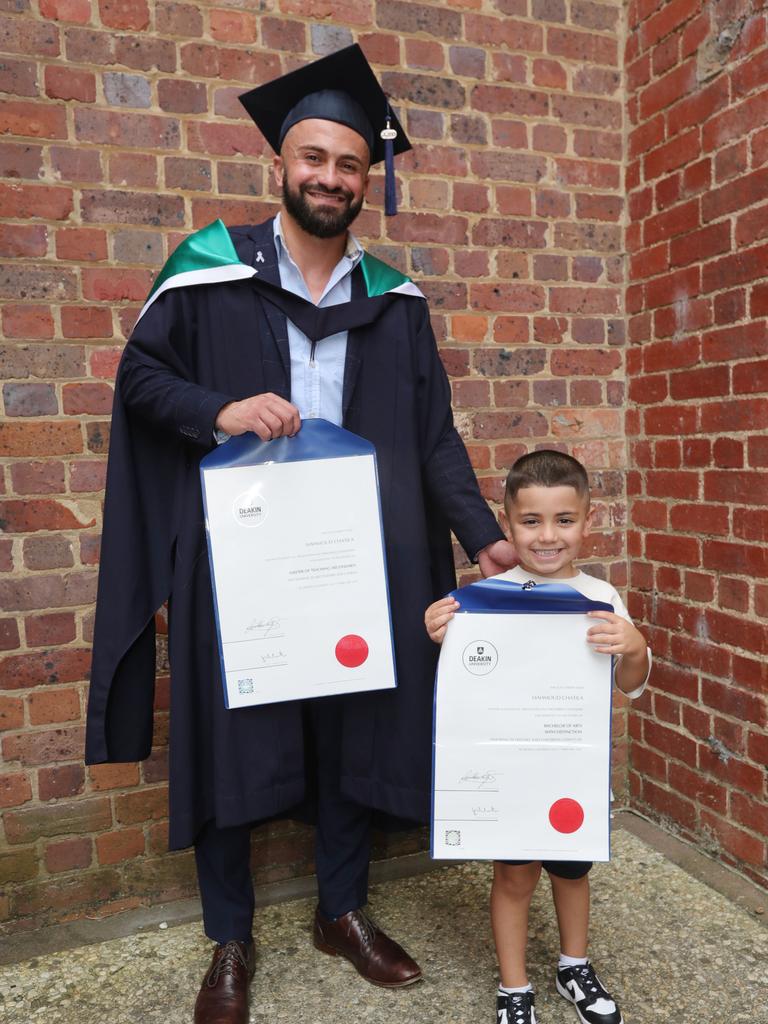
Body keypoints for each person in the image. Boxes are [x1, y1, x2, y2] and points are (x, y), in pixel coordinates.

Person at [85, 45, 516, 1024]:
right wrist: (223, 409)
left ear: (369, 179)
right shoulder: (207, 270)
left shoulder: (395, 301)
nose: (330, 176)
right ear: (277, 165)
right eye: (312, 157)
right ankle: (230, 936)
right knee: (231, 727)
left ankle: (341, 909)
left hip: (355, 556)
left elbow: (433, 434)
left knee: (353, 720)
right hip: (242, 553)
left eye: (349, 163)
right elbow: (142, 383)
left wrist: (484, 537)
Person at [425, 449, 651, 1024]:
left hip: (571, 770)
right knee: (513, 875)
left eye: (564, 520)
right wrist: (440, 635)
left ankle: (573, 964)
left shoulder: (601, 600)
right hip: (511, 774)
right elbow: (465, 685)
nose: (547, 536)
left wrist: (635, 647)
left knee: (573, 871)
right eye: (531, 522)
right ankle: (514, 989)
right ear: (507, 524)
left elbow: (631, 685)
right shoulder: (483, 600)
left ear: (587, 521)